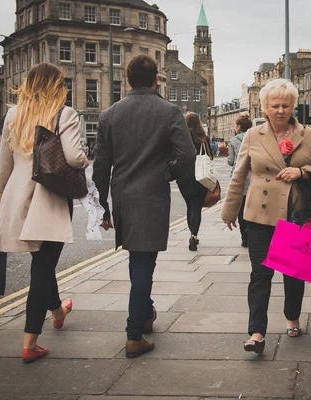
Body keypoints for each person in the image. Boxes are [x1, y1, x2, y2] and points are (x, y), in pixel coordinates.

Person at [93, 55, 196, 358]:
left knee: (137, 261)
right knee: (142, 265)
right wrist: (168, 172)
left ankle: (145, 314)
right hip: (152, 196)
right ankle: (134, 335)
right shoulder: (169, 111)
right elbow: (187, 156)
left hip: (123, 197)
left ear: (127, 80)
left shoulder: (109, 115)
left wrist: (103, 207)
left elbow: (100, 167)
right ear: (156, 80)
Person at [221, 79, 311, 353]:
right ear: (264, 107)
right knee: (260, 274)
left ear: (293, 106)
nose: (280, 110)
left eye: (285, 105)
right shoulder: (253, 135)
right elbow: (239, 174)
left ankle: (292, 317)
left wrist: (301, 172)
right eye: (275, 105)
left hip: (296, 213)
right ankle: (256, 332)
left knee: (294, 274)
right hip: (260, 213)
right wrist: (229, 210)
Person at [0, 63, 89, 363]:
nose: (66, 89)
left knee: (43, 263)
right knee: (42, 269)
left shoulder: (13, 115)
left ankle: (58, 310)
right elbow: (74, 158)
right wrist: (86, 159)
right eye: (62, 84)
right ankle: (30, 343)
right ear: (54, 86)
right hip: (49, 198)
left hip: (16, 198)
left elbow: (3, 166)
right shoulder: (65, 114)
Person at [177, 112, 213, 251]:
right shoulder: (203, 139)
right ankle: (194, 235)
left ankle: (192, 234)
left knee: (189, 206)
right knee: (196, 207)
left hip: (183, 177)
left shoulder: (181, 139)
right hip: (201, 176)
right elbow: (210, 157)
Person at [227, 112, 253, 247]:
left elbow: (231, 162)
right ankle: (252, 233)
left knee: (241, 208)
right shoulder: (255, 138)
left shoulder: (233, 141)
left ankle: (244, 238)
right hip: (254, 178)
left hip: (240, 178)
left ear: (238, 126)